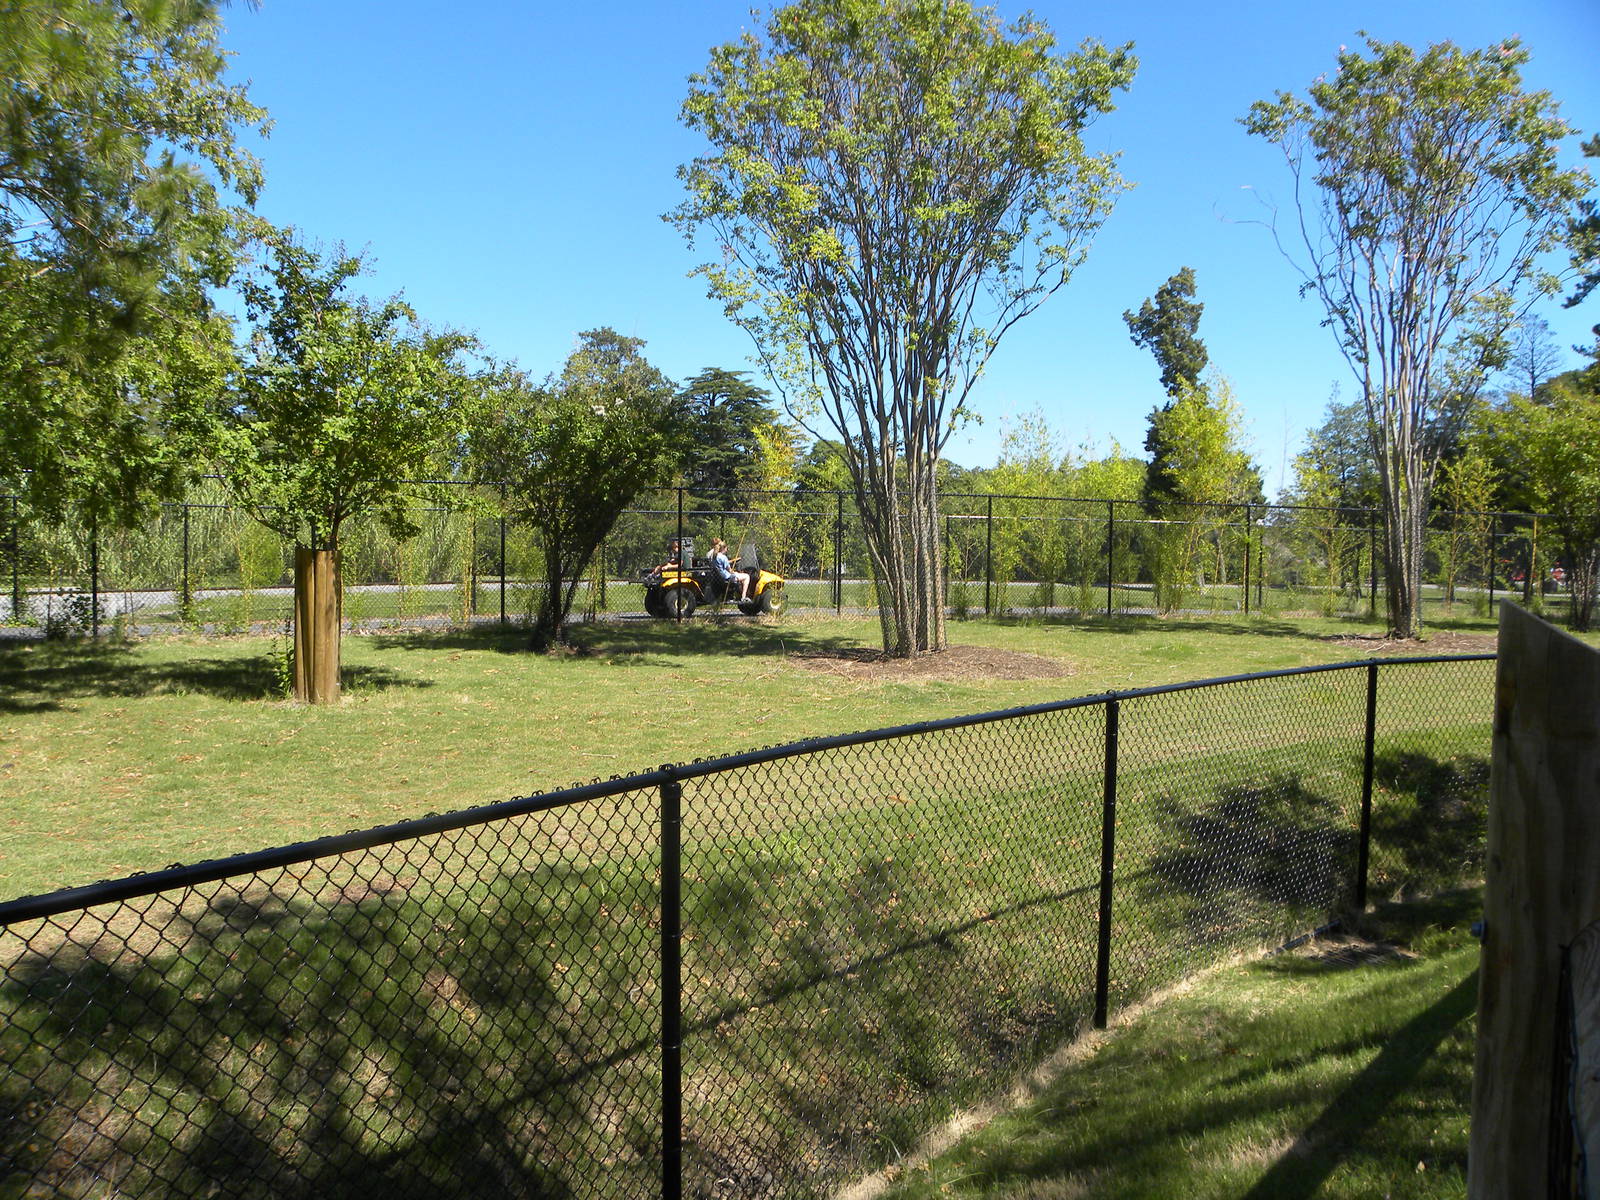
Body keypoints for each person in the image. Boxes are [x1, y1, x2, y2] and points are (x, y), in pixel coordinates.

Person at [709, 537, 751, 602]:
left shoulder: (714, 557)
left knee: (738, 575)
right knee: (746, 576)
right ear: (723, 548)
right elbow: (729, 570)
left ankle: (737, 595)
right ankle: (743, 597)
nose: (727, 550)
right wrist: (735, 572)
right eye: (726, 548)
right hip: (727, 577)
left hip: (719, 577)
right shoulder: (723, 557)